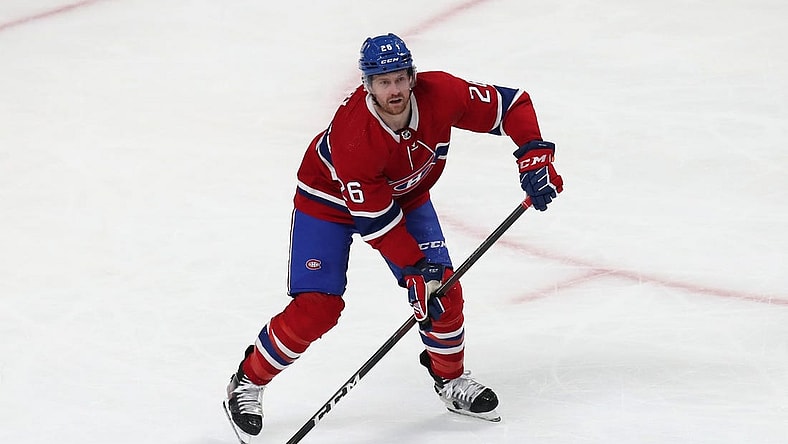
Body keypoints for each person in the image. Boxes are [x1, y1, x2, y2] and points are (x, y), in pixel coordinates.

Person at [222, 32, 563, 442]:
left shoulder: (441, 93)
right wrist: (415, 270)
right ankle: (247, 383)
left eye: (400, 78)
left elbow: (511, 105)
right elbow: (377, 223)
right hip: (327, 203)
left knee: (445, 292)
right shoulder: (354, 137)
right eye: (384, 82)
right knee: (318, 307)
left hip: (406, 196)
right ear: (367, 85)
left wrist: (533, 153)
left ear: (412, 76)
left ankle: (450, 380)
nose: (395, 89)